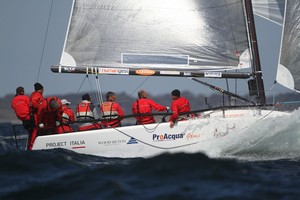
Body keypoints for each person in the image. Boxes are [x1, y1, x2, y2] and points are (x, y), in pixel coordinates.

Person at [28, 82, 44, 150]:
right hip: (35, 116)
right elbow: (34, 103)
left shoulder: (33, 94)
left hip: (33, 115)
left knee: (34, 131)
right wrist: (41, 107)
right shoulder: (37, 95)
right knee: (35, 130)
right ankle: (32, 146)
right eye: (42, 89)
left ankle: (31, 145)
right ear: (40, 89)